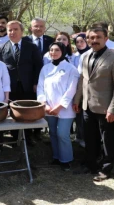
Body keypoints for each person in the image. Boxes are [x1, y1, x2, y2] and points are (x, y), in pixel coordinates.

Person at [72, 26, 114, 181]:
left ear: (106, 38)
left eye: (98, 37)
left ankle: (106, 168)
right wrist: (77, 100)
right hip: (87, 105)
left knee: (108, 140)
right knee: (90, 138)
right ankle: (91, 164)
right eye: (91, 38)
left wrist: (113, 109)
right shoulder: (86, 55)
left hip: (106, 107)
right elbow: (83, 79)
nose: (94, 40)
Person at [0, 20, 43, 146]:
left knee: (27, 112)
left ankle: (28, 137)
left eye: (15, 29)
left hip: (27, 85)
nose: (12, 32)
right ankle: (15, 136)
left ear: (22, 31)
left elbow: (38, 66)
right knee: (13, 112)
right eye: (10, 30)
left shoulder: (31, 47)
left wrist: (35, 82)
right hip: (10, 87)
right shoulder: (1, 48)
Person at [37, 42, 79, 171]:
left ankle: (66, 160)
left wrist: (60, 106)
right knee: (53, 133)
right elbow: (40, 87)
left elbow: (71, 90)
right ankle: (56, 157)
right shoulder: (45, 68)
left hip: (65, 109)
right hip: (49, 107)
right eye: (51, 50)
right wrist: (44, 104)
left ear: (63, 51)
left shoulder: (71, 68)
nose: (53, 53)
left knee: (62, 134)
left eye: (57, 50)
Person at [72, 33, 90, 148]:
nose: (79, 44)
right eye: (77, 42)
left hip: (87, 89)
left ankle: (85, 138)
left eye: (82, 41)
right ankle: (79, 136)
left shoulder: (90, 53)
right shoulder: (74, 56)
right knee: (78, 114)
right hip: (76, 88)